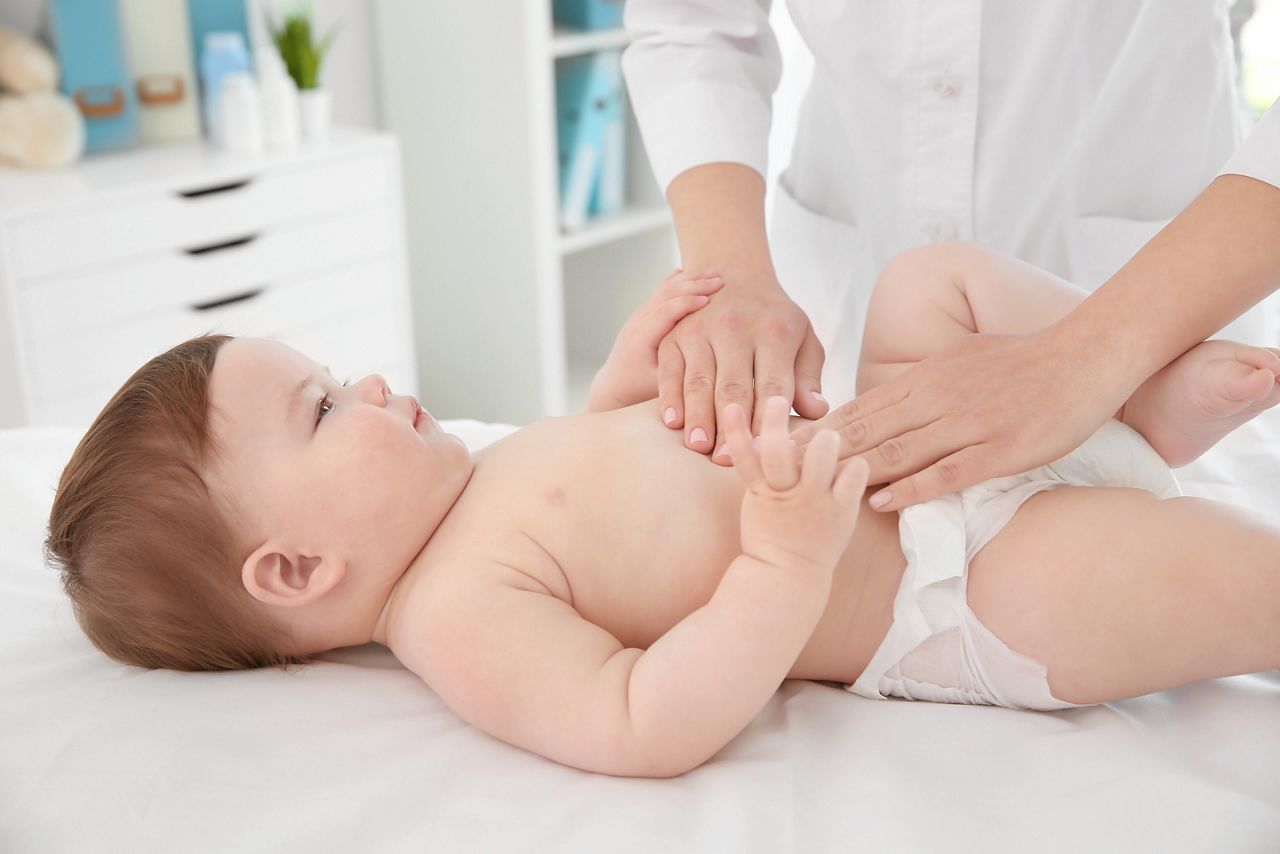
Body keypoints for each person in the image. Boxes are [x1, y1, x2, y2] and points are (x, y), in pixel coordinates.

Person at [45, 252, 1280, 778]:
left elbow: (617, 478)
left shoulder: (478, 474)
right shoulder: (455, 616)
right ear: (297, 566)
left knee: (926, 280)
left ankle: (1128, 389)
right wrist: (780, 563)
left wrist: (629, 378)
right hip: (949, 584)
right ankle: (1141, 448)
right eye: (321, 409)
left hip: (925, 427)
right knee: (1228, 582)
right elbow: (641, 718)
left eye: (332, 369)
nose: (366, 383)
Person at [622, 0, 1280, 510]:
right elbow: (693, 23)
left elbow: (622, 413)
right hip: (851, 310)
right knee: (1073, 557)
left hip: (1153, 270)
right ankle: (1148, 404)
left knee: (924, 291)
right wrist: (731, 276)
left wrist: (1094, 354)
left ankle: (1140, 397)